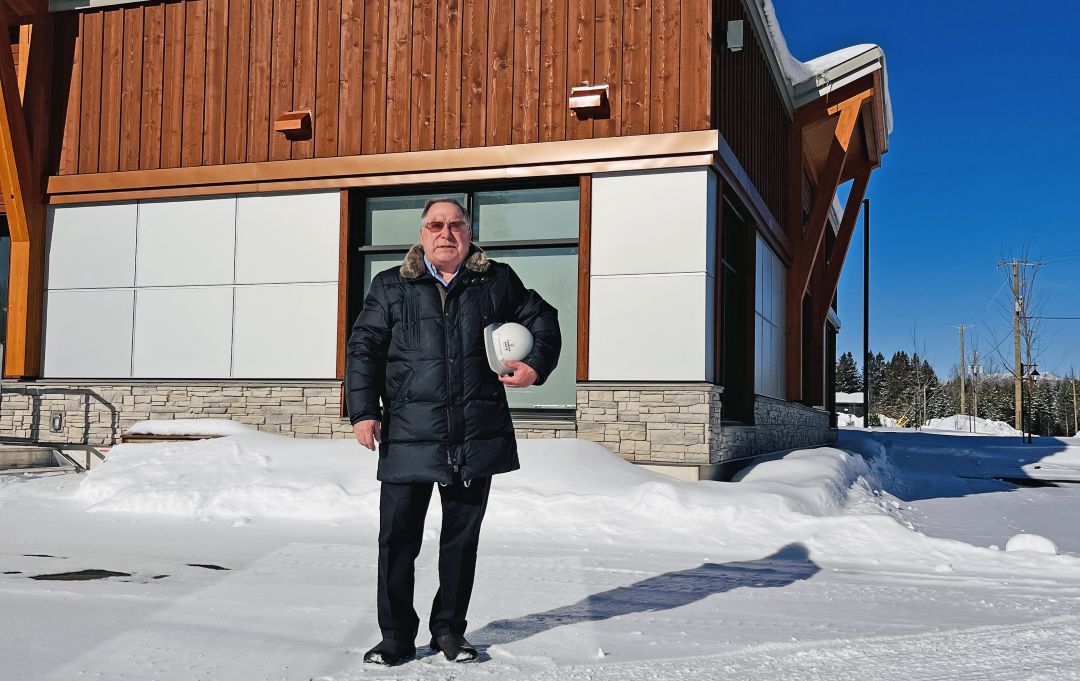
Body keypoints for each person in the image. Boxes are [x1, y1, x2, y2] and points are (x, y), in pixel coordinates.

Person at [346, 198, 561, 666]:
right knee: (397, 540)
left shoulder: (496, 281)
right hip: (408, 432)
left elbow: (545, 319)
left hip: (473, 433)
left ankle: (449, 630)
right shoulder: (390, 285)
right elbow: (364, 349)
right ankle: (396, 637)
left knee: (461, 542)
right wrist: (363, 411)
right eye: (436, 225)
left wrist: (535, 366)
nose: (446, 233)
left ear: (469, 233)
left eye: (456, 225)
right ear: (422, 234)